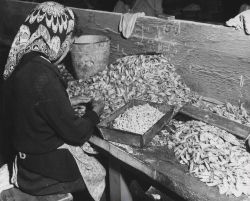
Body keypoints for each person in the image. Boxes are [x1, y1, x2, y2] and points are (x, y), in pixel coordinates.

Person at [2, 2, 106, 201]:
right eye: (69, 42)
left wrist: (65, 102)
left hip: (25, 157)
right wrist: (95, 113)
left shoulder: (22, 59)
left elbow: (33, 105)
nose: (67, 50)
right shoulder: (42, 75)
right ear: (57, 38)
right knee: (100, 170)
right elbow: (76, 134)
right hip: (40, 171)